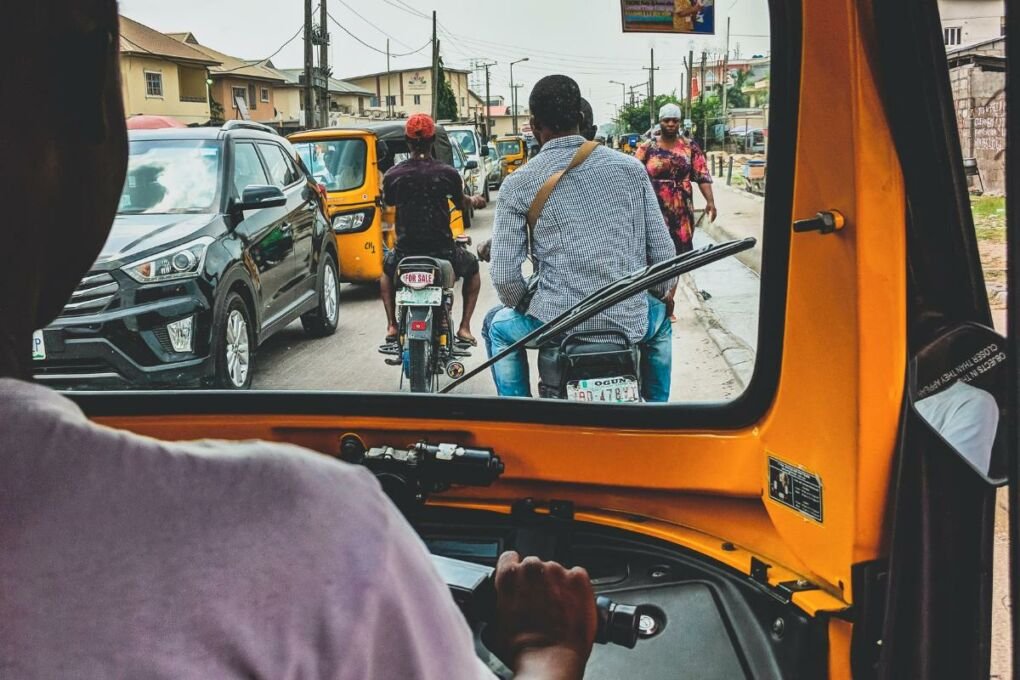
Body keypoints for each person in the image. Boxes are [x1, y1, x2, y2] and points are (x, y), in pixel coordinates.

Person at [0, 5, 596, 679]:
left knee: (397, 281)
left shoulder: (396, 178)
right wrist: (548, 652)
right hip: (444, 256)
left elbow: (388, 226)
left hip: (405, 261)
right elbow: (470, 225)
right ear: (85, 89)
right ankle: (457, 328)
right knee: (471, 281)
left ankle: (400, 327)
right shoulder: (312, 535)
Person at [487, 75, 676, 401]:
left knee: (499, 330)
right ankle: (656, 416)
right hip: (626, 320)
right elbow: (664, 259)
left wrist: (532, 305)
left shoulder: (519, 183)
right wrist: (658, 295)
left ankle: (521, 417)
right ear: (581, 117)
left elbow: (505, 277)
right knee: (660, 326)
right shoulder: (630, 170)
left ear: (533, 125)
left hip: (555, 323)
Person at [380, 113, 482, 347]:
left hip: (405, 252)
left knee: (386, 273)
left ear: (407, 142)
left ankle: (392, 325)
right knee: (473, 268)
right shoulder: (448, 173)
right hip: (442, 252)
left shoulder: (393, 175)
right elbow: (460, 202)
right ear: (433, 139)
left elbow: (389, 201)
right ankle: (464, 328)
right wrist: (474, 200)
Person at [635, 103, 717, 315]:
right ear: (660, 122)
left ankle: (669, 299)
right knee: (654, 252)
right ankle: (656, 298)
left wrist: (710, 202)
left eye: (675, 120)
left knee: (678, 255)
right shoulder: (648, 148)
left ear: (679, 123)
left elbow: (702, 175)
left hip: (681, 211)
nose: (671, 124)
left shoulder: (690, 147)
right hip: (654, 209)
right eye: (666, 120)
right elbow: (633, 175)